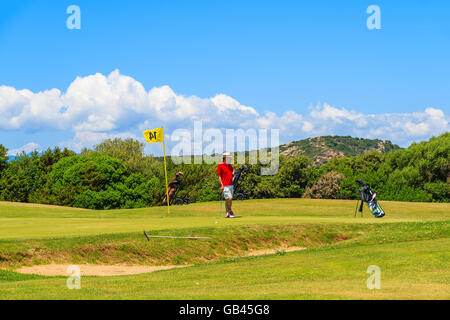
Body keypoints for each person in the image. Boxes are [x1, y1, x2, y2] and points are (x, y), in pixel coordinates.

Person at [217, 152, 235, 218]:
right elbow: (219, 176)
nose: (230, 159)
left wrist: (233, 173)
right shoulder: (220, 166)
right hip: (225, 185)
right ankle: (230, 211)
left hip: (231, 184)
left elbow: (233, 170)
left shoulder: (230, 165)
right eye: (228, 158)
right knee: (229, 198)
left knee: (229, 199)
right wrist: (221, 185)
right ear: (225, 158)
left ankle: (227, 213)